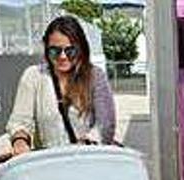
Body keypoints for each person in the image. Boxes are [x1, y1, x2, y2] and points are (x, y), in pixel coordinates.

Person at [7, 15, 117, 156]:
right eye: (55, 51)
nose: (62, 57)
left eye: (70, 51)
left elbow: (106, 123)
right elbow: (20, 121)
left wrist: (89, 142)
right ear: (46, 49)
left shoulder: (95, 76)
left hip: (88, 161)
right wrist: (20, 142)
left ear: (81, 48)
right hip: (50, 165)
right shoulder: (33, 76)